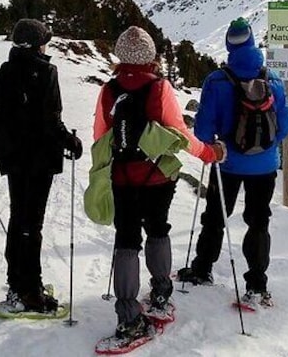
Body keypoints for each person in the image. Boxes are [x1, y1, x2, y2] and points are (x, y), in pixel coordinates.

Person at [90, 26, 225, 346]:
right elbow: (178, 133)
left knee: (126, 239)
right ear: (151, 55)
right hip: (157, 176)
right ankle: (161, 292)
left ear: (121, 55)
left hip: (122, 176)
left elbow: (100, 135)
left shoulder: (110, 89)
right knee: (158, 228)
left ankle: (127, 314)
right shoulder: (159, 87)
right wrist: (208, 153)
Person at [177, 17, 288, 308]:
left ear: (229, 44)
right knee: (259, 221)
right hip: (265, 165)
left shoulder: (217, 80)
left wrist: (218, 144)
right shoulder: (273, 78)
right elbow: (284, 128)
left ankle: (202, 268)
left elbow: (203, 130)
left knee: (215, 215)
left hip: (226, 164)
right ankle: (256, 284)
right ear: (252, 42)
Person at [0, 19, 83, 315]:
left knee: (19, 220)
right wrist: (71, 142)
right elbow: (50, 120)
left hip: (14, 159)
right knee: (32, 225)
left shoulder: (6, 70)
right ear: (38, 43)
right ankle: (30, 291)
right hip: (38, 160)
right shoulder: (45, 71)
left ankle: (16, 284)